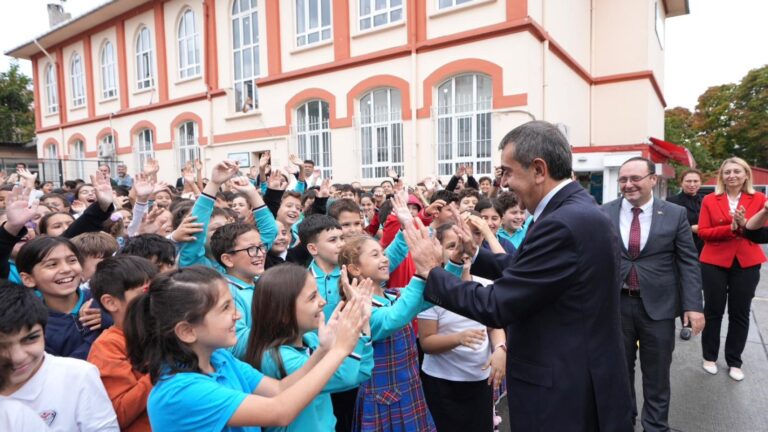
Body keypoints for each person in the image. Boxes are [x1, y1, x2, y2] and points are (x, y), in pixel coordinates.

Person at [410, 120, 633, 431]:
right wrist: (474, 254)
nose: (503, 183)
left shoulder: (562, 223)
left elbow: (497, 304)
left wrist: (433, 271)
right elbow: (530, 272)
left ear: (539, 170)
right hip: (580, 374)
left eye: (508, 171)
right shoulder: (578, 211)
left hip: (562, 389)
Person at [123, 265, 365, 431]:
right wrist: (339, 351)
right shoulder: (180, 391)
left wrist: (323, 350)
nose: (238, 316)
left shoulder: (219, 359)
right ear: (187, 331)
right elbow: (280, 411)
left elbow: (280, 389)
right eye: (225, 308)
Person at [602, 157, 704, 431]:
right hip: (616, 306)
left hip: (658, 308)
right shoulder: (604, 212)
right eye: (623, 179)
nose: (628, 184)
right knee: (619, 374)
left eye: (635, 178)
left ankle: (655, 426)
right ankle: (624, 422)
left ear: (652, 180)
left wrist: (693, 305)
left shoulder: (673, 213)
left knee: (657, 375)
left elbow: (688, 261)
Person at [245, 264, 375, 432]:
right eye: (312, 297)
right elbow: (345, 377)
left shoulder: (312, 340)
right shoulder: (277, 357)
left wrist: (363, 324)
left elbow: (361, 372)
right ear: (284, 313)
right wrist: (353, 324)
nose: (323, 302)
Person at [338, 235, 436, 432]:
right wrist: (420, 273)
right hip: (383, 401)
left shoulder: (395, 295)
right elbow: (393, 318)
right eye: (375, 255)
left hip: (410, 391)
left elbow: (436, 296)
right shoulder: (358, 309)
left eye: (383, 253)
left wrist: (456, 262)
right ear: (355, 269)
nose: (385, 258)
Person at [0, 280, 119, 431]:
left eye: (31, 339)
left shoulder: (78, 375)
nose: (18, 357)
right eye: (2, 346)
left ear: (44, 332)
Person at [698, 157, 766, 382]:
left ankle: (734, 361)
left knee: (740, 313)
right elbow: (704, 232)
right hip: (714, 261)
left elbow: (763, 234)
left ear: (746, 174)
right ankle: (709, 357)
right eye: (727, 172)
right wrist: (731, 227)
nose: (732, 175)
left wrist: (745, 226)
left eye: (737, 171)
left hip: (746, 262)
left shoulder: (760, 199)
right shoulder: (709, 199)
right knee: (713, 310)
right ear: (722, 176)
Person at [87, 256, 158, 432]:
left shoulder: (165, 330)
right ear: (110, 302)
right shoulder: (108, 346)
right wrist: (161, 368)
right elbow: (118, 413)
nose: (154, 298)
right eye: (145, 292)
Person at [16, 236, 113, 360]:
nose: (66, 269)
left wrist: (114, 320)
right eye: (52, 265)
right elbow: (62, 370)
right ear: (28, 279)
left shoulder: (107, 299)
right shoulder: (33, 324)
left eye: (72, 260)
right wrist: (98, 334)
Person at [666, 168, 706, 340]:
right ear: (681, 183)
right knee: (679, 287)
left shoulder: (706, 201)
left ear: (700, 183)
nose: (692, 184)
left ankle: (688, 323)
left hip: (703, 249)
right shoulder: (672, 202)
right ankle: (678, 321)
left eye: (695, 181)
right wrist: (690, 229)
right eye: (688, 181)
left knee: (695, 288)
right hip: (679, 251)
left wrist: (703, 230)